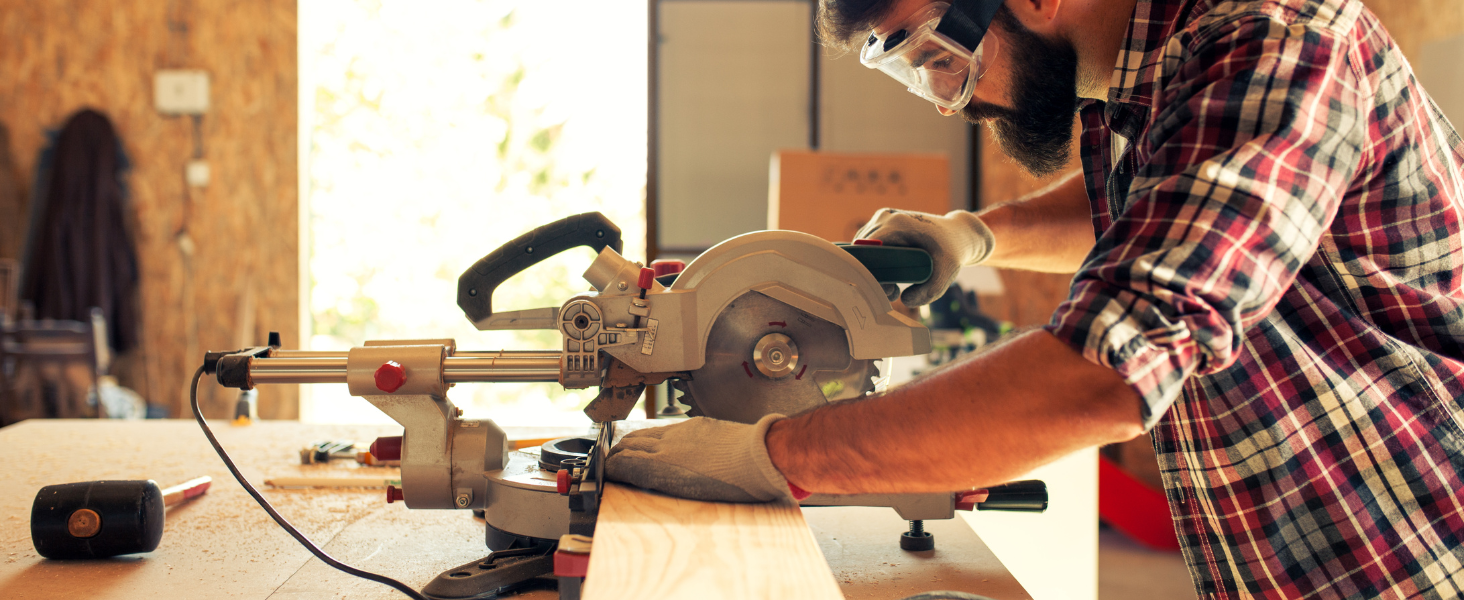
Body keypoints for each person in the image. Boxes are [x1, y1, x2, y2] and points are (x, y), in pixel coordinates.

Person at [607, 0, 1464, 596]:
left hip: (1415, 555)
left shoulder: (1277, 46)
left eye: (940, 61)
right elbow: (1158, 205)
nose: (953, 105)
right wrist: (974, 234)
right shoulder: (1153, 71)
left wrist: (775, 454)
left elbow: (1102, 374)